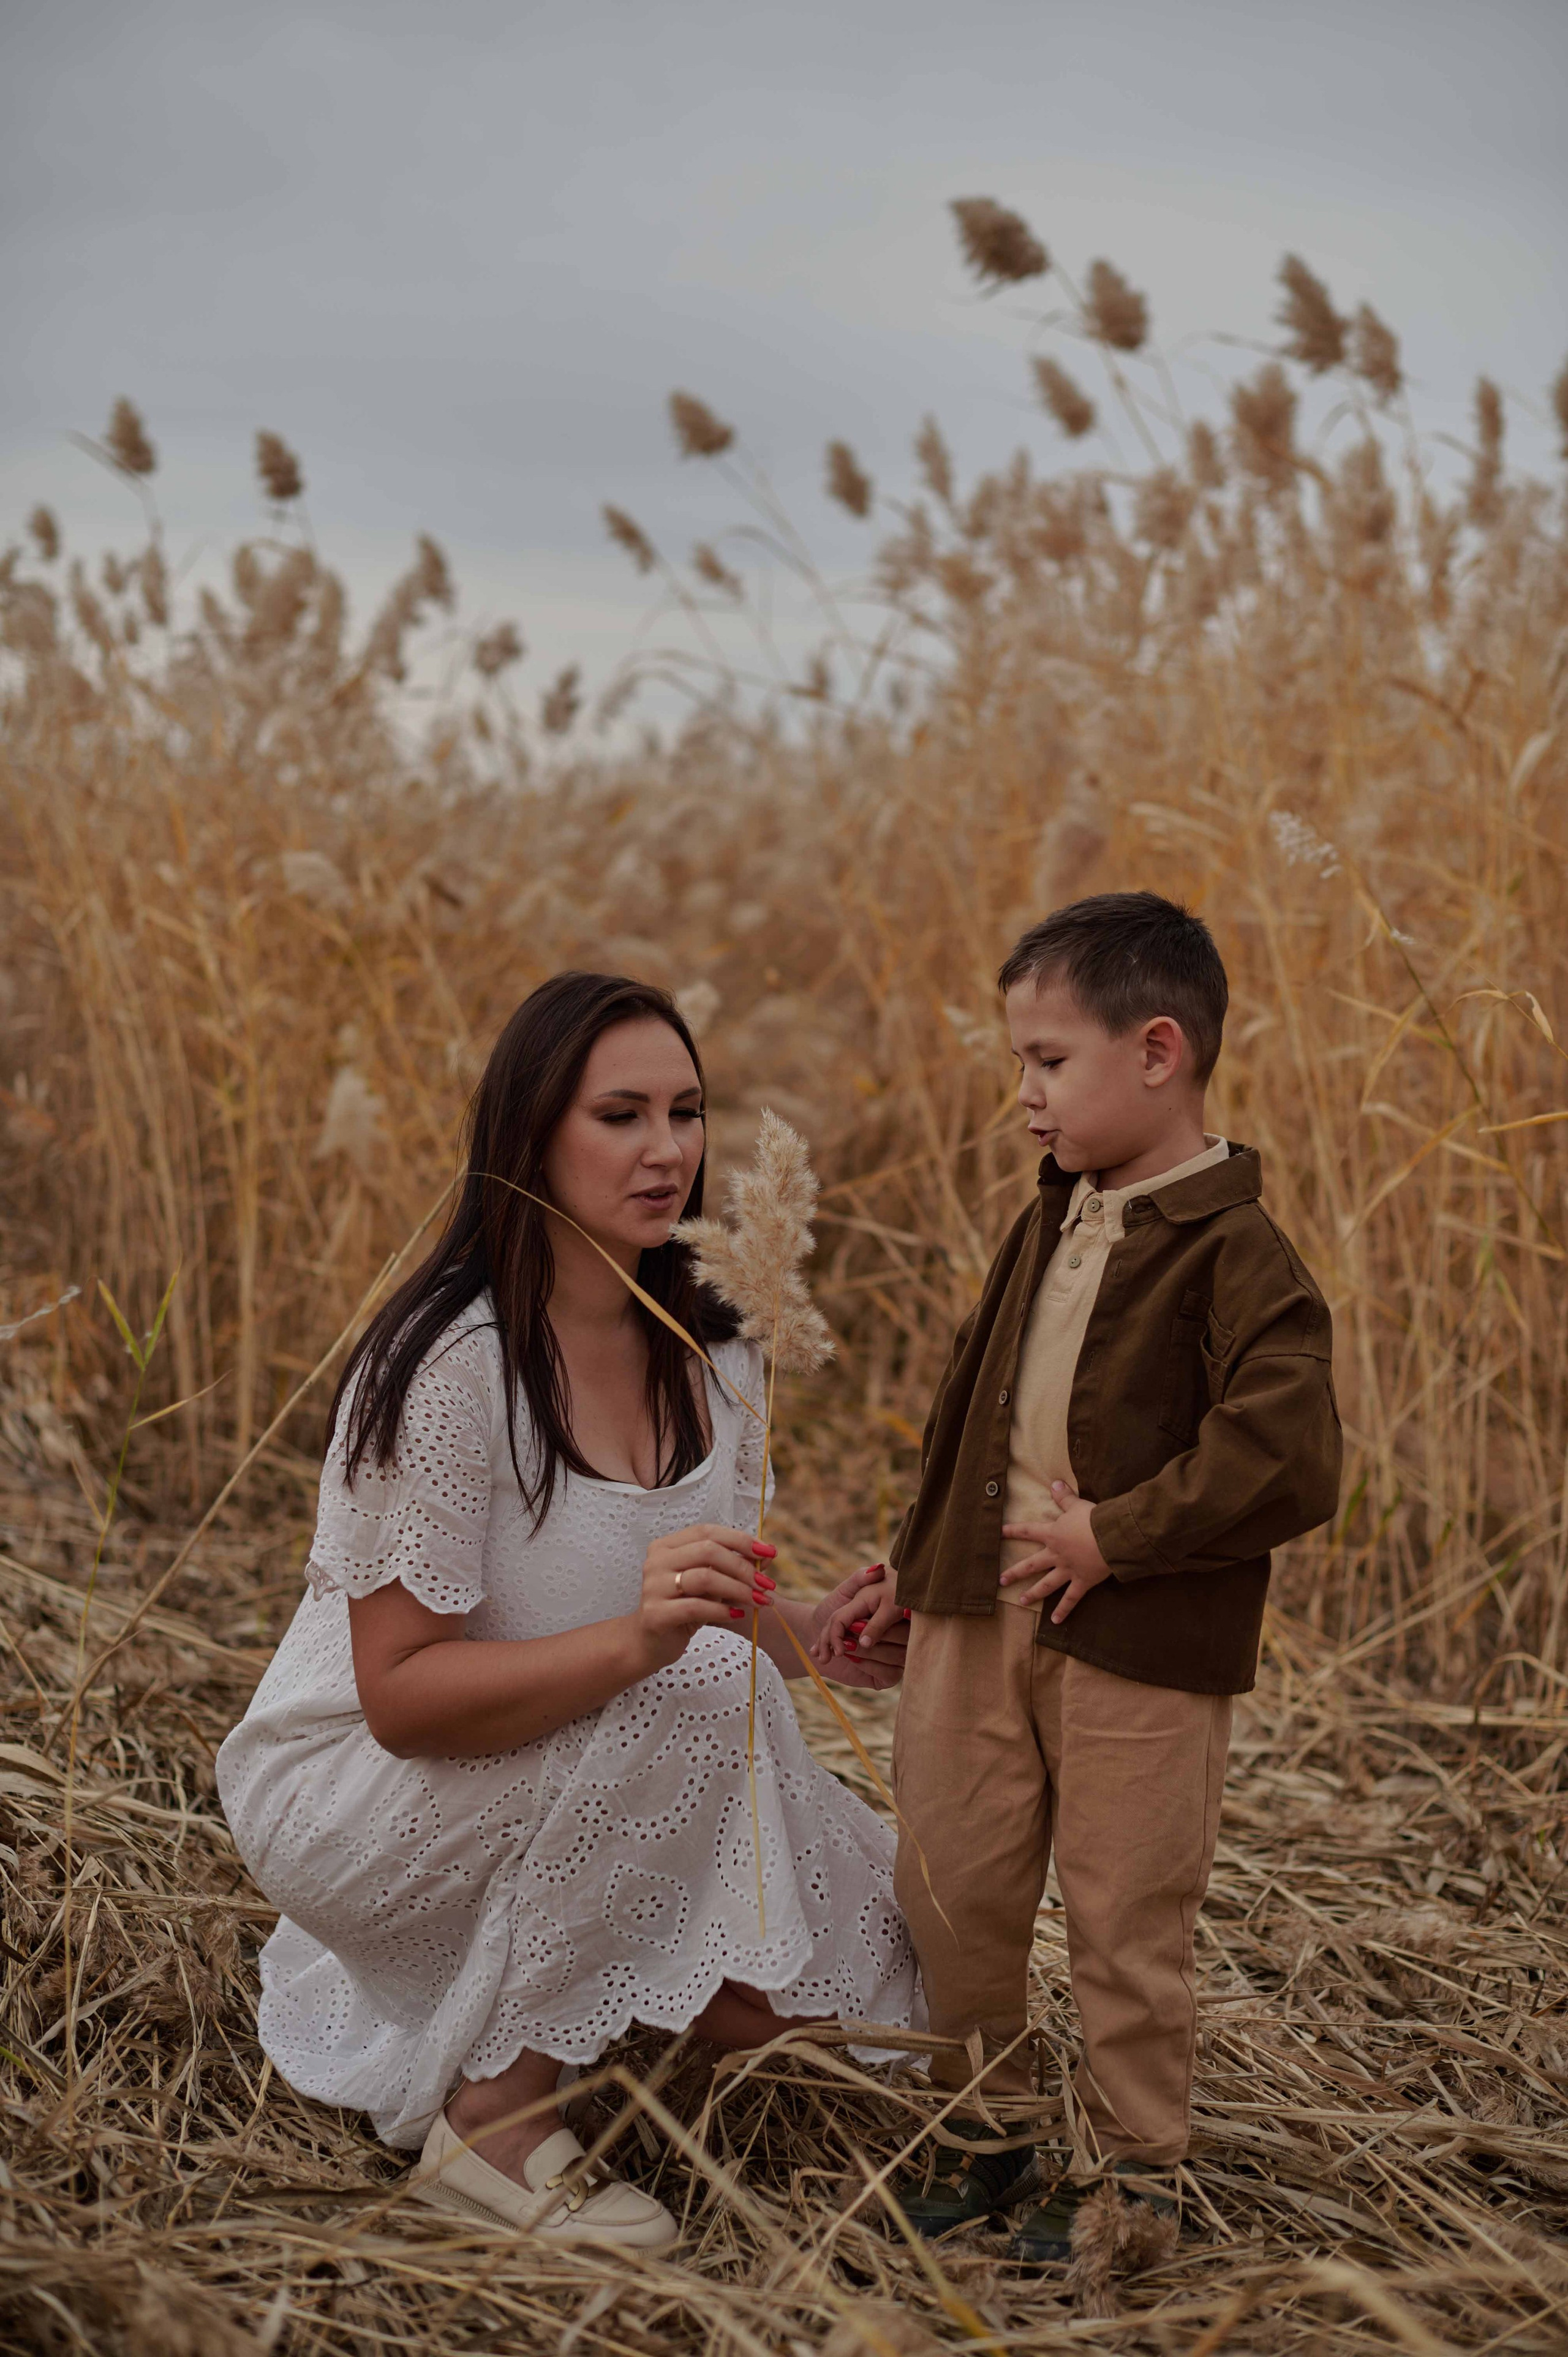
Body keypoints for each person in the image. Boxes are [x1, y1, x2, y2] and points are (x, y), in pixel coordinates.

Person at [218, 971, 918, 2250]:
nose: (666, 1151)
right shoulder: (444, 1367)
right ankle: (491, 2127)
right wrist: (639, 1645)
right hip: (365, 1785)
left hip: (614, 1739)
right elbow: (401, 1698)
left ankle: (606, 1980)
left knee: (879, 2001)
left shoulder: (718, 1353)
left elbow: (697, 1593)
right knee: (694, 1697)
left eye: (687, 1111)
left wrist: (813, 1630)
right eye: (621, 1115)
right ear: (532, 1134)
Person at [816, 892, 1341, 2266]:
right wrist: (911, 1564)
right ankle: (982, 2135)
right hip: (975, 1616)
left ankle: (1131, 2181)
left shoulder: (1237, 1253)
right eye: (1017, 1065)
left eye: (1046, 1062)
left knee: (1123, 1914)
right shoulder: (1044, 1222)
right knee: (951, 1886)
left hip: (1136, 1642)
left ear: (1156, 1051)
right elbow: (974, 1415)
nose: (1023, 1096)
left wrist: (1115, 1537)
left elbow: (1286, 1453)